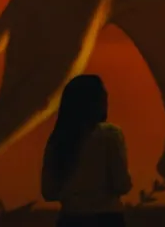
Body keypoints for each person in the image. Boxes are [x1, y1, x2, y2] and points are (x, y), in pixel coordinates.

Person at [41, 74, 133, 227]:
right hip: (107, 219)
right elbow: (122, 184)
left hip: (70, 219)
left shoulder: (58, 139)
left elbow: (48, 192)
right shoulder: (110, 135)